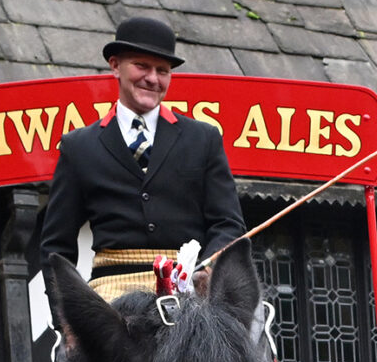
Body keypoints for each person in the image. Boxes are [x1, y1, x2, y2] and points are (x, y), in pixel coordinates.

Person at [35, 16, 245, 299]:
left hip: (186, 292)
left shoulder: (203, 138)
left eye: (162, 70)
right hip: (110, 293)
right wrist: (67, 322)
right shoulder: (78, 147)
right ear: (115, 65)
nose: (153, 79)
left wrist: (206, 271)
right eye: (141, 66)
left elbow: (228, 224)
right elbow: (56, 247)